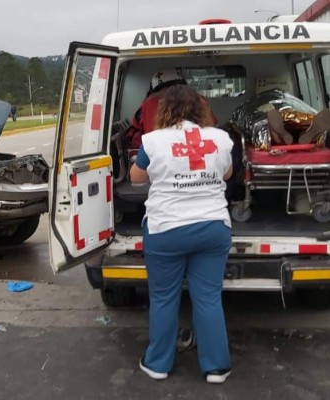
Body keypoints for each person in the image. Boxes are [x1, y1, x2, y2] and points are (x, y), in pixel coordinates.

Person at [130, 84, 233, 384]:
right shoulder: (220, 138)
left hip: (166, 230)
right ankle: (217, 368)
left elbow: (137, 179)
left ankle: (158, 364)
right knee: (209, 298)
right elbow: (226, 173)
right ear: (201, 109)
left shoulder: (152, 141)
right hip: (212, 228)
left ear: (164, 110)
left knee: (163, 299)